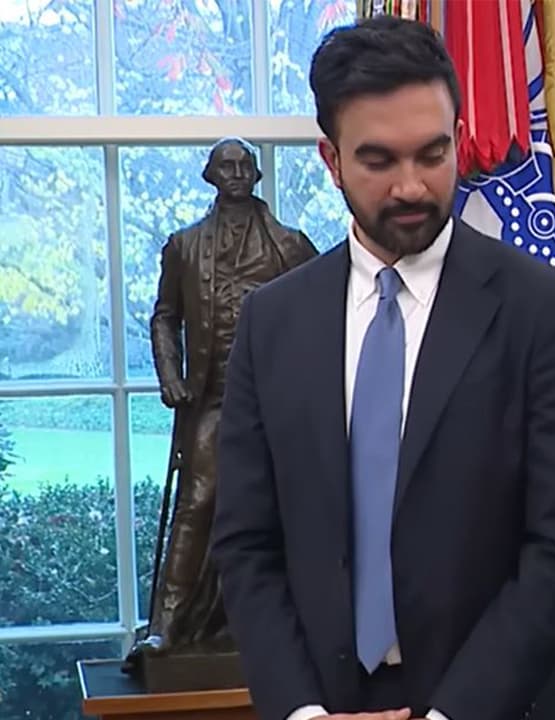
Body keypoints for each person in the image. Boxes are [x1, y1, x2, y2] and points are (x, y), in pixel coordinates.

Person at [209, 15, 555, 720]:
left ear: (459, 140)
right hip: (327, 704)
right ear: (330, 160)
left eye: (432, 155)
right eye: (380, 161)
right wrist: (302, 713)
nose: (412, 187)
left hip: (500, 705)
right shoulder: (273, 323)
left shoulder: (542, 311)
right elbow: (246, 546)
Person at [130, 137, 316, 667]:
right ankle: (166, 626)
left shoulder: (290, 245)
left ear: (256, 175)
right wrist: (171, 375)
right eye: (225, 165)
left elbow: (332, 309)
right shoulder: (184, 246)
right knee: (197, 502)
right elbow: (165, 316)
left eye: (244, 165)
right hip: (212, 398)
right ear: (209, 175)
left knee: (287, 508)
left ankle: (290, 620)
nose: (235, 173)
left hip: (276, 403)